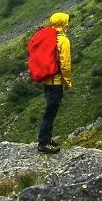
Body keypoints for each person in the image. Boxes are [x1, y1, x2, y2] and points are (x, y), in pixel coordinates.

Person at [37, 11, 72, 153]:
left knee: (50, 109)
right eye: (66, 21)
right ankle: (43, 143)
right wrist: (67, 82)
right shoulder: (63, 41)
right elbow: (65, 65)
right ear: (63, 24)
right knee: (50, 112)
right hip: (55, 82)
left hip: (46, 79)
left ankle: (47, 138)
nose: (68, 23)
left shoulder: (48, 37)